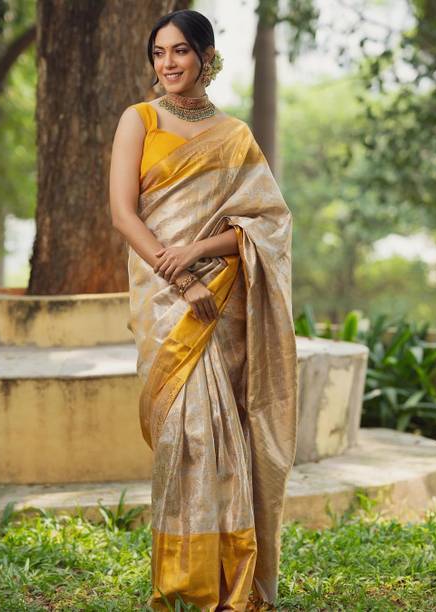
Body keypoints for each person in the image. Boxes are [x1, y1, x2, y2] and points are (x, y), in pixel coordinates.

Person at [109, 9, 297, 612]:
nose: (168, 63)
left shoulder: (235, 135)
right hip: (167, 300)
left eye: (181, 51)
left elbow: (267, 224)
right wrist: (181, 276)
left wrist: (196, 254)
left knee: (225, 438)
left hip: (223, 299)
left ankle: (230, 583)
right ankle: (184, 585)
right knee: (185, 433)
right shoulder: (139, 120)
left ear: (206, 57)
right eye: (159, 52)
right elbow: (123, 214)